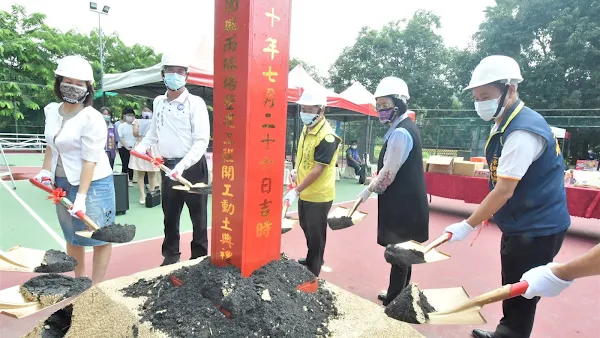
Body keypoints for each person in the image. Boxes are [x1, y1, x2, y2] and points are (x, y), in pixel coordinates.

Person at [441, 55, 570, 338]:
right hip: (524, 221)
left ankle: (510, 334)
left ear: (510, 89)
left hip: (537, 226)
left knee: (522, 291)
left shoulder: (523, 131)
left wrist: (467, 224)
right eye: (476, 97)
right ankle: (507, 331)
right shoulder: (507, 120)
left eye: (486, 95)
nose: (480, 103)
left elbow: (504, 189)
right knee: (513, 283)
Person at [33, 55, 114, 285]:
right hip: (62, 182)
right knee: (72, 236)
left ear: (88, 89)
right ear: (58, 83)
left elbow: (90, 161)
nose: (73, 87)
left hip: (94, 184)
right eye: (68, 81)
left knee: (99, 235)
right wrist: (46, 172)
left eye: (80, 84)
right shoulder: (51, 110)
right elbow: (52, 144)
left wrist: (81, 197)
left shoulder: (92, 118)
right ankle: (81, 282)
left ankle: (96, 287)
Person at [356, 76, 429, 306]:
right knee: (403, 253)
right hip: (406, 202)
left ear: (400, 103)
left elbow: (388, 174)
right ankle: (399, 294)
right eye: (378, 106)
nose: (381, 111)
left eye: (386, 106)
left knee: (399, 253)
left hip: (402, 205)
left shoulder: (401, 133)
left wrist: (368, 190)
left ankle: (395, 299)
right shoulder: (403, 128)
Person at [134, 52, 210, 266]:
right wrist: (141, 147)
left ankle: (199, 258)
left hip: (193, 167)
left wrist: (183, 165)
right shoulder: (158, 101)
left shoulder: (195, 103)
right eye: (171, 71)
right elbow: (153, 133)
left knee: (199, 217)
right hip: (167, 166)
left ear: (187, 76)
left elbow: (201, 141)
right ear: (162, 74)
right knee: (170, 214)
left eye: (180, 71)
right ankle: (170, 256)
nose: (175, 75)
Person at [284, 89, 341, 277]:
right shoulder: (307, 128)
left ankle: (314, 269)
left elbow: (318, 169)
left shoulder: (327, 137)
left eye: (310, 109)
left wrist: (296, 190)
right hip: (305, 191)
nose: (305, 113)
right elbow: (304, 158)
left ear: (321, 110)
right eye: (303, 108)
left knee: (316, 234)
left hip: (318, 194)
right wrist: (296, 171)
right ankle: (312, 257)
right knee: (305, 226)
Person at [129, 106, 160, 204]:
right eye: (145, 111)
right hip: (140, 146)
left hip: (153, 147)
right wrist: (142, 130)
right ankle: (142, 195)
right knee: (140, 173)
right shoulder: (137, 121)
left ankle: (151, 193)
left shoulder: (156, 120)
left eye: (149, 111)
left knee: (152, 172)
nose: (147, 113)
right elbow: (134, 133)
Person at [118, 108, 136, 186]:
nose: (131, 117)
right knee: (125, 163)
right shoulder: (121, 126)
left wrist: (134, 146)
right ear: (124, 116)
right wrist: (126, 146)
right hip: (123, 147)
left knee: (131, 164)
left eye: (132, 115)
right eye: (128, 115)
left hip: (134, 147)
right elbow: (120, 137)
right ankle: (124, 179)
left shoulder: (135, 125)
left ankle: (131, 179)